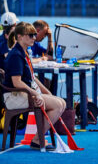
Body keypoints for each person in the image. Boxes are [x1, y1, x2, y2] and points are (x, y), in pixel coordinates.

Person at [3, 22, 66, 150]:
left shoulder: (24, 52)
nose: (34, 38)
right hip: (15, 96)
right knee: (58, 105)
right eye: (30, 35)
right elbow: (17, 82)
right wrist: (36, 94)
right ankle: (37, 139)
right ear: (20, 36)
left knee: (61, 102)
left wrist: (46, 92)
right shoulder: (16, 55)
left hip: (23, 94)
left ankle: (39, 137)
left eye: (34, 35)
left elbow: (32, 78)